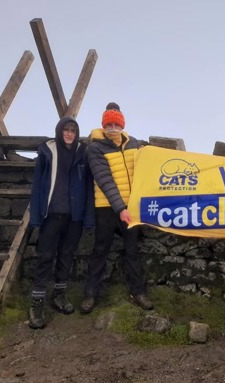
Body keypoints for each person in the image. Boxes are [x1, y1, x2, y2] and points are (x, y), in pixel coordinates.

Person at [80, 102, 153, 313]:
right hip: (106, 208)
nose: (113, 127)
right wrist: (121, 208)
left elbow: (147, 169)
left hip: (131, 207)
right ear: (103, 125)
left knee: (132, 251)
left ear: (122, 124)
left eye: (116, 123)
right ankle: (90, 295)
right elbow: (104, 179)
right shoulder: (94, 148)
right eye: (109, 124)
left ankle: (138, 292)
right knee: (100, 250)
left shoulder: (134, 145)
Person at [28, 117, 93, 329]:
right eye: (66, 129)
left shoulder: (83, 153)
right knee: (46, 257)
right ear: (59, 131)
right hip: (51, 215)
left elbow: (90, 188)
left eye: (73, 130)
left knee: (66, 256)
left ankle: (58, 295)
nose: (69, 134)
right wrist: (36, 217)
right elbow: (37, 186)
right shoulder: (48, 151)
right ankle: (37, 302)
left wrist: (88, 218)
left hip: (74, 217)